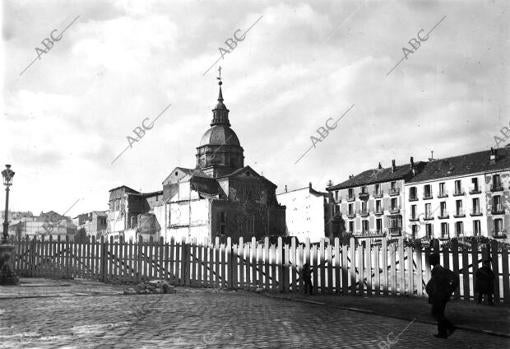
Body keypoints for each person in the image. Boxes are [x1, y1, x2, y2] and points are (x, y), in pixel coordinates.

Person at [425, 253, 459, 339]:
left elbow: (436, 283)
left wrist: (448, 290)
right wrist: (449, 290)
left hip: (439, 296)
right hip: (440, 295)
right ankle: (442, 333)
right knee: (439, 314)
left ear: (434, 260)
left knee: (436, 313)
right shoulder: (439, 270)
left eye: (430, 259)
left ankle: (450, 327)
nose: (429, 261)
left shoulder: (438, 270)